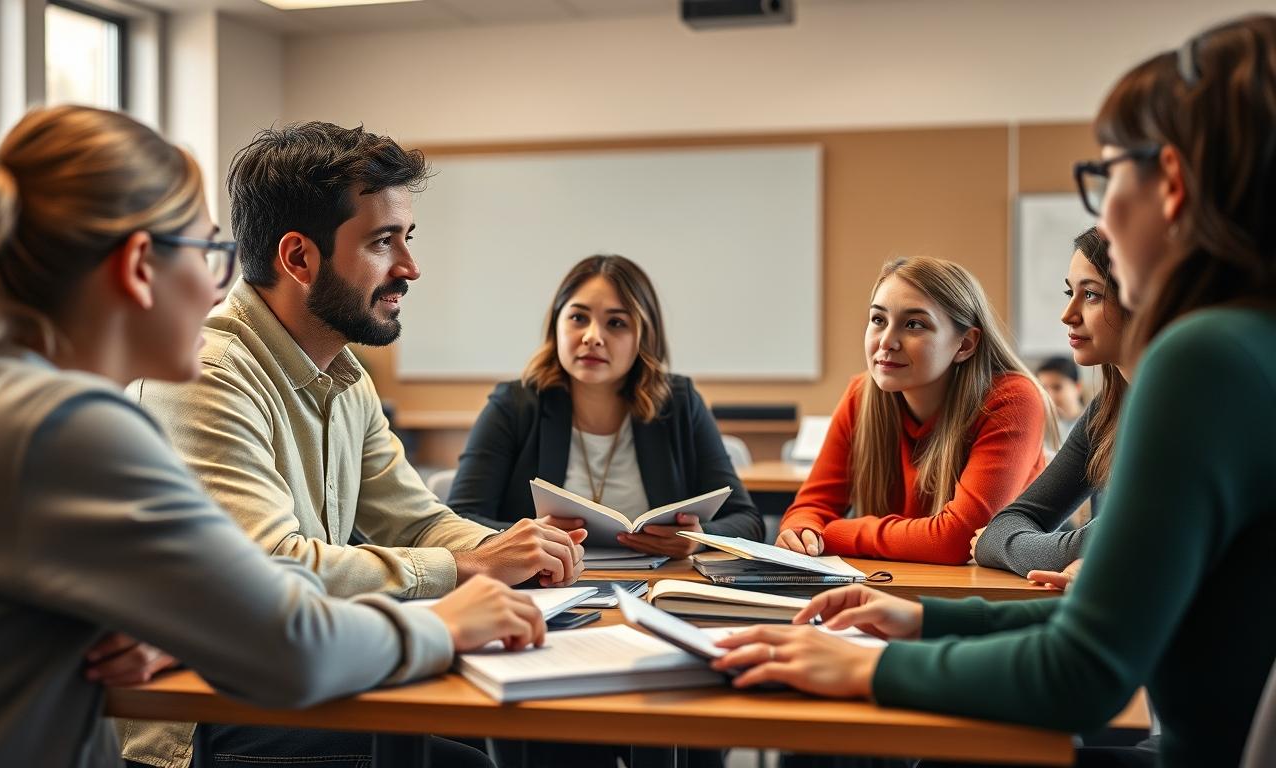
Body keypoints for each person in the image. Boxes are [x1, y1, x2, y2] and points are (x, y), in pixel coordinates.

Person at [715, 15, 1276, 766]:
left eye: (1105, 176)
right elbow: (1099, 625)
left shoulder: (1202, 359)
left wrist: (869, 665)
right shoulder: (1250, 346)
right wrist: (924, 624)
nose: (1102, 212)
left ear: (1170, 183)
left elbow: (1083, 674)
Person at [0, 106, 542, 767]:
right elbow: (291, 645)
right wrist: (444, 623)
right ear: (141, 266)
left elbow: (228, 584)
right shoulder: (70, 427)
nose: (221, 291)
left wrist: (175, 619)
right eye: (212, 254)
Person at [119, 121, 585, 767]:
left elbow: (414, 520)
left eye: (408, 239)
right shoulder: (205, 374)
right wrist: (468, 569)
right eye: (382, 242)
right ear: (299, 258)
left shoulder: (344, 373)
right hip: (206, 714)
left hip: (298, 669)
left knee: (488, 731)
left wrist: (506, 550)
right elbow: (267, 571)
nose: (410, 268)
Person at [449, 254, 764, 556]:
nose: (592, 337)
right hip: (545, 587)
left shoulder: (679, 403)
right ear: (556, 325)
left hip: (656, 585)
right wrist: (522, 537)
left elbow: (747, 521)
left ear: (644, 337)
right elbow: (458, 520)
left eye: (616, 323)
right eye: (578, 318)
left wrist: (699, 538)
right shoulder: (514, 405)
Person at [775, 256, 1051, 565]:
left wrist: (832, 534)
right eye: (878, 320)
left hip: (988, 598)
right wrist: (803, 531)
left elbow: (956, 539)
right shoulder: (861, 395)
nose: (887, 342)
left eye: (914, 324)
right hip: (890, 589)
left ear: (965, 345)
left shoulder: (1013, 400)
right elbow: (809, 509)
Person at [973, 228, 1132, 584]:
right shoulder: (1105, 414)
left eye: (1091, 294)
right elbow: (1000, 530)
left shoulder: (1190, 415)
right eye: (1069, 292)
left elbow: (1117, 540)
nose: (1067, 314)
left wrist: (1081, 550)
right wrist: (1078, 551)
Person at [1035, 356, 1083, 443]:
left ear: (1078, 387)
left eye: (1057, 387)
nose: (1049, 396)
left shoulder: (1095, 425)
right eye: (1043, 389)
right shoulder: (1038, 428)